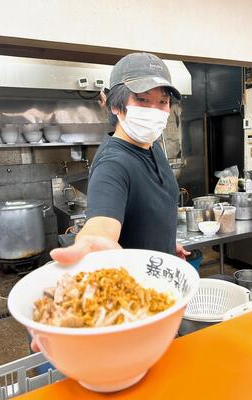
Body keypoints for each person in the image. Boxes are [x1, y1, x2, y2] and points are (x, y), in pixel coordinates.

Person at [50, 52, 190, 266]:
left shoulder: (154, 147)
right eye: (143, 99)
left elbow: (148, 213)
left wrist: (166, 245)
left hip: (160, 274)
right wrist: (94, 240)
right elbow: (101, 227)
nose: (155, 110)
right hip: (136, 289)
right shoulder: (113, 163)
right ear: (116, 105)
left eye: (163, 101)